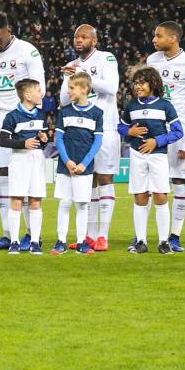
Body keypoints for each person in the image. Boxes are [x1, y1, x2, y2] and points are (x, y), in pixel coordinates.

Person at [0, 12, 45, 250]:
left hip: (24, 120)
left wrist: (28, 118)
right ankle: (9, 234)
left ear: (8, 30)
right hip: (0, 120)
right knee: (4, 177)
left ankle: (31, 235)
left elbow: (40, 87)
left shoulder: (28, 51)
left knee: (26, 182)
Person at [58, 24, 119, 251]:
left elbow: (112, 87)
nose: (78, 40)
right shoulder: (73, 66)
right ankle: (89, 236)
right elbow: (65, 101)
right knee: (88, 182)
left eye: (84, 37)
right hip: (81, 132)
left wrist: (84, 77)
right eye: (76, 37)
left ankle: (103, 235)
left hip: (107, 127)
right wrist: (68, 79)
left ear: (94, 41)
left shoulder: (106, 58)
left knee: (105, 179)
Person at [145, 21, 185, 252]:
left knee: (179, 182)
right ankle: (146, 236)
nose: (154, 39)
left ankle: (175, 235)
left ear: (173, 38)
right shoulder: (152, 61)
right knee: (150, 185)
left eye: (158, 36)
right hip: (154, 130)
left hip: (179, 132)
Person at [118, 67, 183, 255]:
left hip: (158, 155)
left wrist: (157, 141)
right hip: (137, 155)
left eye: (141, 82)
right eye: (135, 83)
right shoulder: (131, 105)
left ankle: (164, 242)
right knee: (140, 196)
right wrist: (128, 132)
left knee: (161, 196)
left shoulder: (165, 105)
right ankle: (140, 241)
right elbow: (121, 127)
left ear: (153, 84)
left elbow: (178, 131)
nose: (137, 86)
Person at [52, 72, 104, 255]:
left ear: (84, 89)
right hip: (65, 167)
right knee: (65, 202)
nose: (69, 91)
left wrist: (84, 163)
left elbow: (97, 142)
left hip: (85, 167)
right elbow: (58, 139)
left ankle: (82, 241)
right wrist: (67, 161)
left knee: (82, 205)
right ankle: (61, 241)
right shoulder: (64, 112)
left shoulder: (97, 113)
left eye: (72, 87)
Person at [0, 78, 49, 255]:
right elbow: (2, 140)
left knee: (36, 199)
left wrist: (44, 140)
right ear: (27, 95)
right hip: (19, 160)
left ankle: (35, 241)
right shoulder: (12, 116)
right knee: (17, 200)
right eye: (38, 90)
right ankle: (14, 242)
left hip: (36, 159)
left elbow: (41, 142)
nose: (41, 93)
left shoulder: (41, 115)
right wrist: (23, 143)